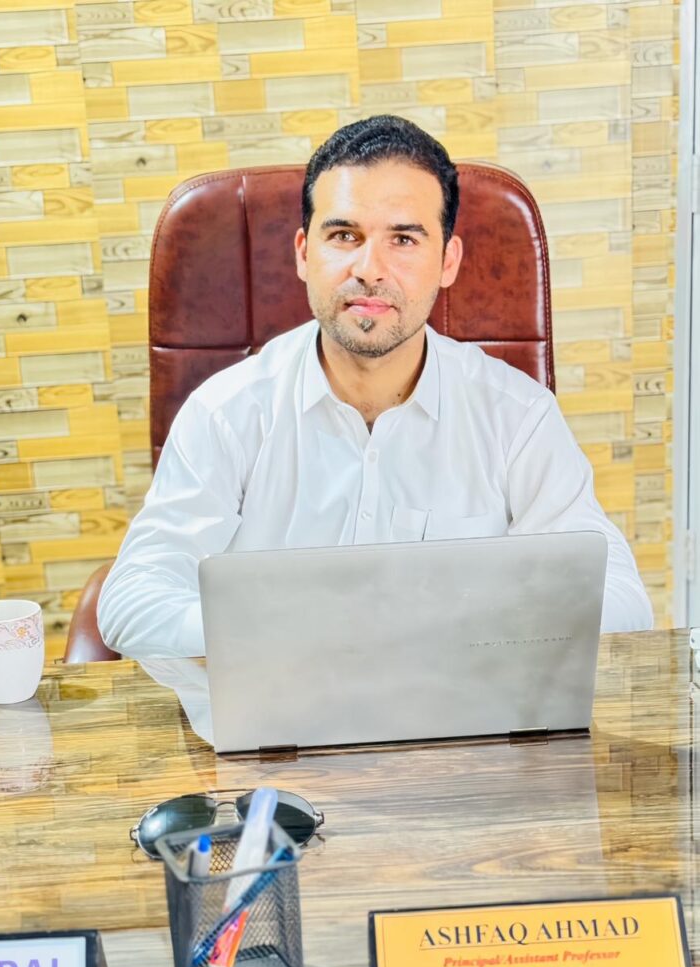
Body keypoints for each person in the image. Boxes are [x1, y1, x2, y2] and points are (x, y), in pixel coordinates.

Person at [98, 115, 653, 658]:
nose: (370, 268)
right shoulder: (226, 413)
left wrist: (459, 633)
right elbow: (132, 599)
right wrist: (287, 638)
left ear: (448, 261)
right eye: (344, 235)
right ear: (303, 253)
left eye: (404, 239)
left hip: (461, 708)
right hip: (279, 706)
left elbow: (621, 600)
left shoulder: (516, 416)